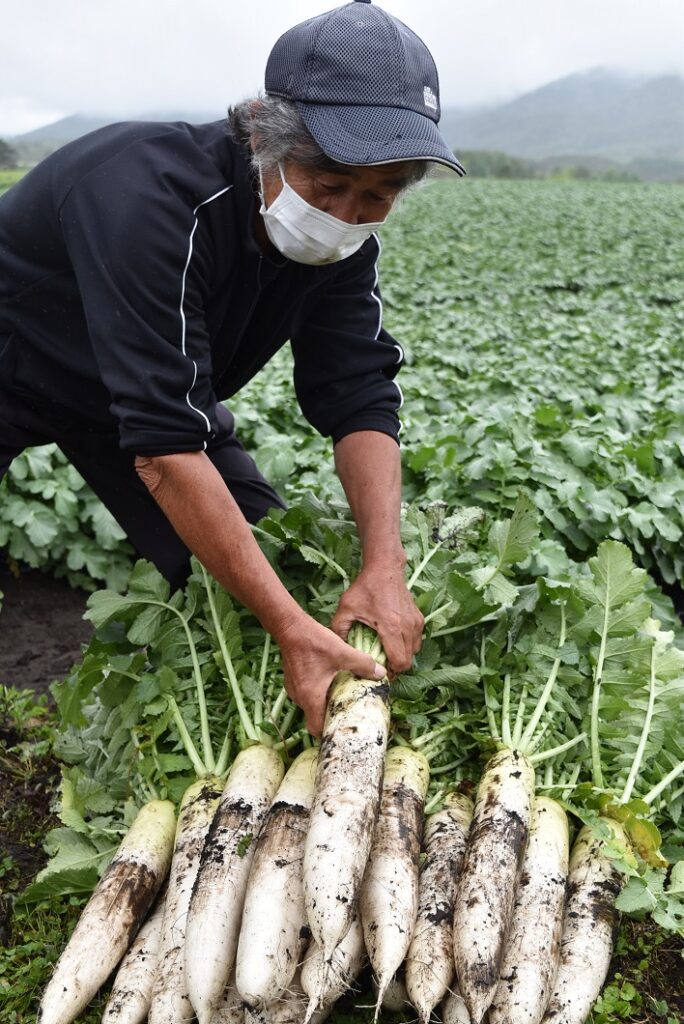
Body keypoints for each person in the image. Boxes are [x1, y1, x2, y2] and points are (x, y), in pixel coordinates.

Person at [0, 0, 464, 735]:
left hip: (141, 388)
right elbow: (165, 445)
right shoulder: (147, 196)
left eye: (378, 195)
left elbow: (359, 398)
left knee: (272, 565)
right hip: (16, 354)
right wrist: (288, 626)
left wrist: (385, 564)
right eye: (330, 184)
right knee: (277, 608)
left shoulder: (343, 245)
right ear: (262, 134)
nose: (348, 214)